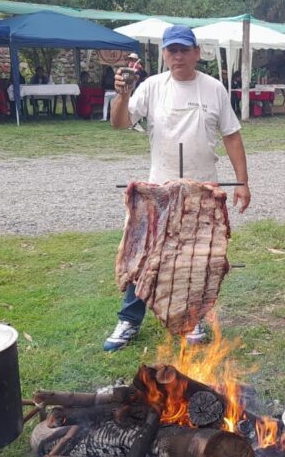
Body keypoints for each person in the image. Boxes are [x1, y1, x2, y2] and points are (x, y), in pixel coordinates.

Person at [107, 25, 252, 351]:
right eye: (172, 50)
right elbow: (119, 123)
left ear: (197, 53)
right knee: (145, 257)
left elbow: (231, 135)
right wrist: (122, 95)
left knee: (196, 259)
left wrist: (242, 181)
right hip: (160, 192)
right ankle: (129, 319)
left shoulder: (213, 88)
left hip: (202, 191)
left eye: (185, 50)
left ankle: (192, 317)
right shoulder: (152, 87)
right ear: (164, 54)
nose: (178, 56)